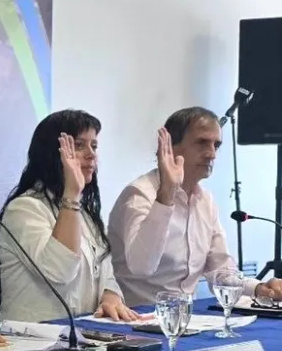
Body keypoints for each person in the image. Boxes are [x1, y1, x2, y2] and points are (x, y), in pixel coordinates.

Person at [108, 107, 282, 306]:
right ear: (171, 147)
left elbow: (221, 272)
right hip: (136, 321)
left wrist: (260, 288)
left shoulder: (205, 200)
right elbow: (141, 267)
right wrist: (166, 196)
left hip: (188, 319)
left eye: (216, 145)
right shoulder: (139, 194)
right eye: (202, 143)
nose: (212, 154)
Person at [0, 110, 138, 323]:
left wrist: (111, 294)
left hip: (80, 336)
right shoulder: (24, 209)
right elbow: (59, 272)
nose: (91, 154)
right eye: (79, 146)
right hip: (30, 342)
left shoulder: (84, 212)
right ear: (52, 154)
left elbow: (106, 271)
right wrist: (72, 194)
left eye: (94, 146)